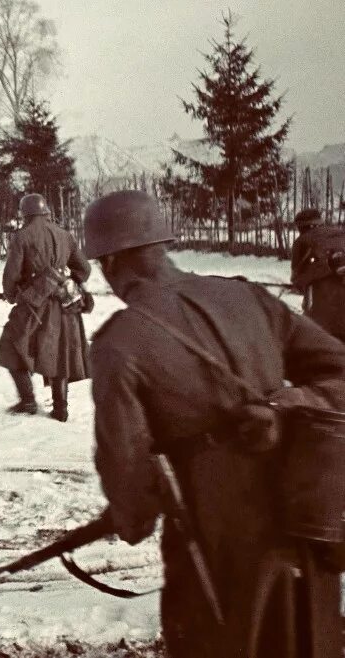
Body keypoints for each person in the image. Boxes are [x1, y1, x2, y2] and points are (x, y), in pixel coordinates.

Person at [86, 189, 345, 658]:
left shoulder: (117, 343)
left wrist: (133, 516)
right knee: (310, 635)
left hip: (213, 539)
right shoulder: (248, 296)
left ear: (111, 262)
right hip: (303, 513)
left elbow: (125, 462)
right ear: (162, 246)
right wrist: (289, 403)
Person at [0, 193, 90, 420]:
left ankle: (28, 401)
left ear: (25, 213)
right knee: (59, 352)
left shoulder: (22, 236)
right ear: (46, 211)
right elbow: (84, 269)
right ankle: (61, 408)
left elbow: (11, 275)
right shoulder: (65, 235)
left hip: (34, 305)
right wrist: (67, 283)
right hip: (65, 306)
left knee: (10, 345)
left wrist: (11, 294)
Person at [290, 207, 345, 341]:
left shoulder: (302, 242)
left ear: (302, 226)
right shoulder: (341, 234)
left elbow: (297, 277)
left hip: (323, 312)